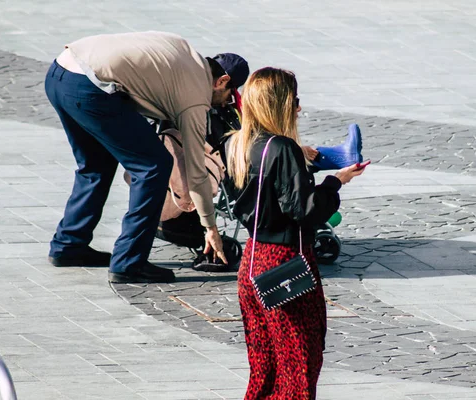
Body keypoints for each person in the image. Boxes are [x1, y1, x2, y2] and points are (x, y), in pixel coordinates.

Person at [44, 31, 249, 283]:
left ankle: (69, 245)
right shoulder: (195, 97)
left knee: (95, 165)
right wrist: (210, 228)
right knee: (154, 166)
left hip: (59, 72)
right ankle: (129, 264)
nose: (226, 101)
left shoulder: (184, 51)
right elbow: (196, 174)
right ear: (222, 81)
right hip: (90, 89)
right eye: (230, 93)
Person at [227, 67, 366, 399]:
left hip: (252, 263)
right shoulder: (283, 148)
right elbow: (304, 211)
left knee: (265, 367)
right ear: (281, 103)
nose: (299, 108)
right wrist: (335, 182)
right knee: (298, 367)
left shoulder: (239, 144)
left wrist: (297, 158)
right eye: (296, 100)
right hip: (285, 263)